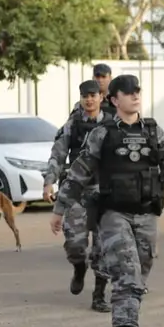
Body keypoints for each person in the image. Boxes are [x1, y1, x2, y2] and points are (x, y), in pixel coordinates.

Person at [50, 74, 164, 327]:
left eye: (137, 91)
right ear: (114, 99)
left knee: (140, 275)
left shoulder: (153, 131)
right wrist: (60, 207)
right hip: (114, 215)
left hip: (146, 214)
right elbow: (79, 171)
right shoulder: (102, 133)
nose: (135, 96)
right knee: (127, 274)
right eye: (128, 92)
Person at [43, 80, 113, 312]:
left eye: (93, 95)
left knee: (103, 247)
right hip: (77, 191)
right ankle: (79, 268)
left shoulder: (113, 124)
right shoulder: (71, 125)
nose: (89, 100)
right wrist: (49, 182)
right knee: (75, 244)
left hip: (104, 192)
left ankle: (99, 295)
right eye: (85, 96)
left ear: (101, 97)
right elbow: (57, 154)